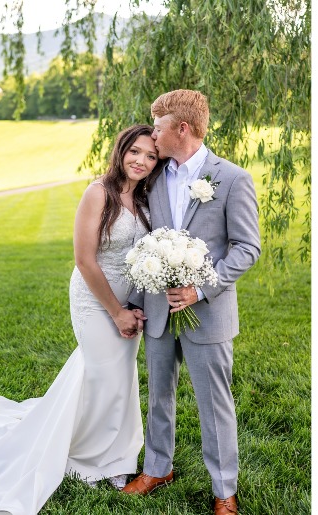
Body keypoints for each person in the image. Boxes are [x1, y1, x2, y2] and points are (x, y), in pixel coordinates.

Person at [0, 124, 162, 515]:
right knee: (103, 374)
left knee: (119, 375)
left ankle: (117, 454)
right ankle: (93, 459)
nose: (141, 161)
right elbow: (84, 259)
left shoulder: (146, 198)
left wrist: (134, 304)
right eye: (136, 152)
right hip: (95, 300)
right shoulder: (99, 193)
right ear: (121, 150)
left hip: (128, 302)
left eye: (151, 156)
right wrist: (114, 310)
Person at [122, 90, 261, 515]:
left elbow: (246, 247)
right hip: (159, 310)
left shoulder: (232, 178)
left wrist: (201, 289)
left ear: (182, 128)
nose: (153, 136)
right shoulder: (154, 175)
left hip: (209, 313)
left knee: (214, 403)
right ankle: (157, 468)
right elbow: (144, 239)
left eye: (159, 128)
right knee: (158, 394)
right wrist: (133, 299)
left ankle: (224, 490)